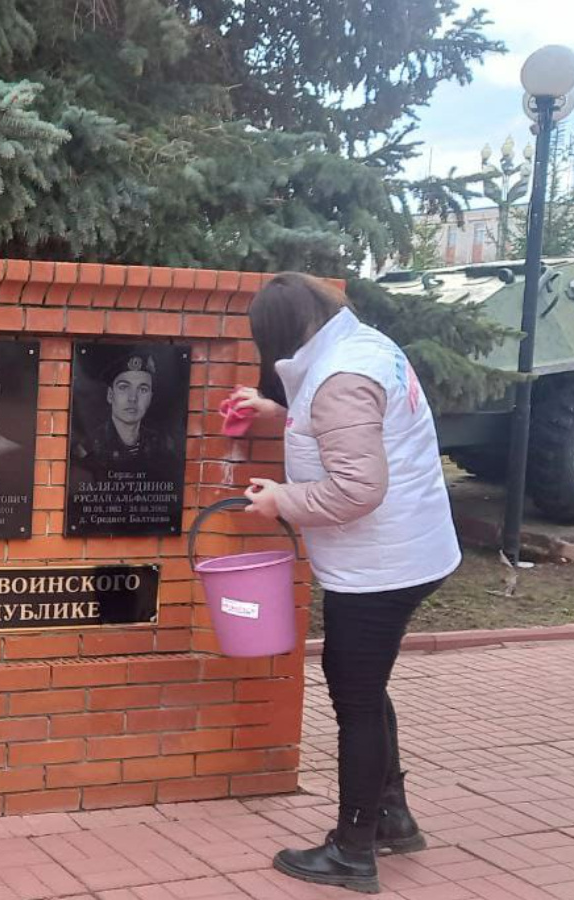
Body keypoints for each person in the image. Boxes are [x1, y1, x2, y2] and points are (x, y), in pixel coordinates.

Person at [230, 272, 460, 895]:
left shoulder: (339, 377)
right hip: (406, 551)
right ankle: (392, 817)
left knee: (355, 697)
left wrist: (281, 499)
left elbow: (357, 488)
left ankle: (353, 850)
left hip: (381, 567)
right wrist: (278, 411)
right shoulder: (362, 348)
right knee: (364, 682)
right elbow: (348, 426)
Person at [72, 349, 176, 475]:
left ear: (150, 398)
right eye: (124, 387)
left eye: (143, 389)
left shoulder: (162, 445)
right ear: (110, 395)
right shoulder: (88, 447)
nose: (133, 398)